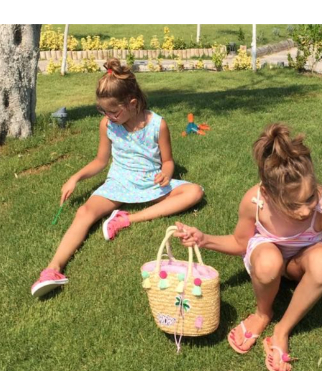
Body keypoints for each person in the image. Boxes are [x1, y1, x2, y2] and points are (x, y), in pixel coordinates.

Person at [175, 123, 322, 371]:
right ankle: (263, 313)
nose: (306, 210)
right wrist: (203, 239)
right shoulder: (255, 202)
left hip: (303, 262)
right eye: (293, 205)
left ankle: (282, 330)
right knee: (267, 262)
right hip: (268, 258)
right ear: (267, 193)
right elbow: (240, 243)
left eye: (310, 198)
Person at [31, 58, 203, 298]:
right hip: (118, 183)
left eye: (113, 111)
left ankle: (126, 219)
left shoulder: (158, 125)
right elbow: (100, 161)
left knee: (195, 192)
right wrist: (75, 178)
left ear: (132, 103)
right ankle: (52, 269)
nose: (108, 116)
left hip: (149, 184)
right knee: (84, 212)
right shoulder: (107, 125)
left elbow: (168, 161)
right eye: (103, 111)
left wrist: (166, 173)